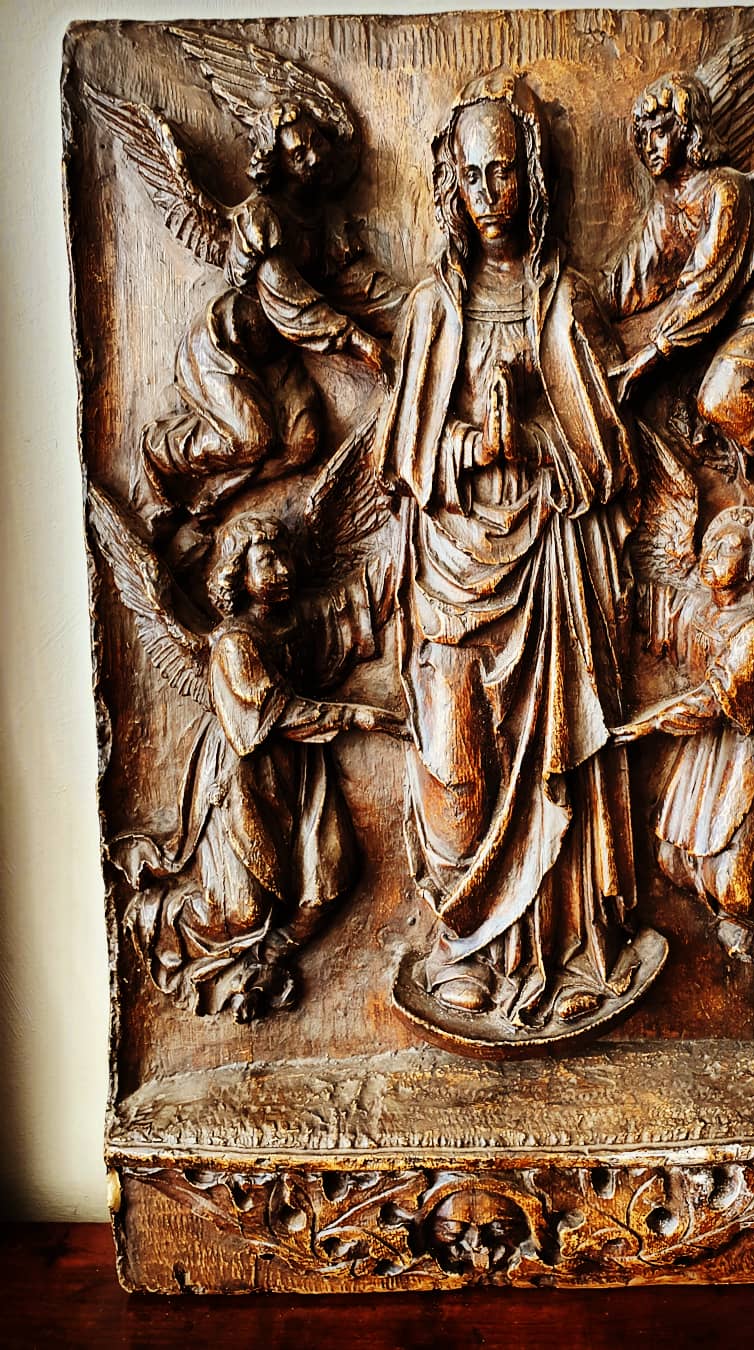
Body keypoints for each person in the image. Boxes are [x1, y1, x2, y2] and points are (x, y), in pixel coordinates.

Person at [375, 71, 643, 1029]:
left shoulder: (562, 302)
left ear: (532, 179)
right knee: (457, 759)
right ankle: (465, 947)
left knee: (542, 766)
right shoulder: (432, 310)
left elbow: (606, 455)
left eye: (506, 172)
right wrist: (470, 447)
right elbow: (402, 456)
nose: (491, 193)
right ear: (452, 185)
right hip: (454, 568)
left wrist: (531, 441)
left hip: (545, 569)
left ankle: (547, 952)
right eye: (474, 175)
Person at [116, 511, 401, 1021]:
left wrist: (405, 548)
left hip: (300, 770)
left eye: (284, 556)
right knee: (243, 910)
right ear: (238, 575)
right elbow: (271, 713)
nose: (282, 569)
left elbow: (352, 605)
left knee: (328, 878)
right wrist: (359, 715)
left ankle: (266, 961)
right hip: (243, 776)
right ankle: (159, 919)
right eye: (266, 560)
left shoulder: (297, 622)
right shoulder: (233, 643)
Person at [142, 102, 402, 517]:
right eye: (298, 154)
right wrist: (363, 344)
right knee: (252, 437)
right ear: (276, 165)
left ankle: (219, 494)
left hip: (274, 355)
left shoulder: (322, 220)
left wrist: (419, 307)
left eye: (315, 143)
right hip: (224, 345)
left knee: (303, 441)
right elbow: (290, 307)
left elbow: (359, 287)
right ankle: (161, 448)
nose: (314, 158)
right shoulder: (259, 219)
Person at [605, 73, 754, 523]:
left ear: (688, 129)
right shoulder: (667, 207)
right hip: (717, 324)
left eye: (661, 130)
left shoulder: (726, 191)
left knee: (719, 399)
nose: (650, 145)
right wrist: (579, 303)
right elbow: (634, 278)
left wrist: (648, 357)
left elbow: (705, 289)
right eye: (643, 135)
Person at [613, 505, 754, 918]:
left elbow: (713, 702)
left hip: (750, 747)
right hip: (708, 750)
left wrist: (649, 723)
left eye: (728, 548)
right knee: (672, 864)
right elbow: (650, 606)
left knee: (736, 890)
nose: (710, 555)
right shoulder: (699, 610)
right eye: (710, 544)